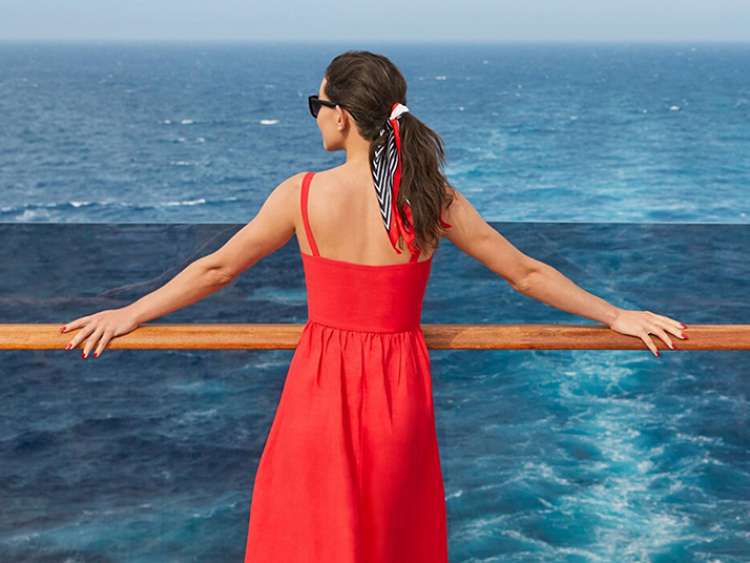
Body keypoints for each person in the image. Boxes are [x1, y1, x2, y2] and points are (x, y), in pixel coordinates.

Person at [59, 50, 687, 560]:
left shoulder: (301, 195)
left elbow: (217, 269)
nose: (314, 117)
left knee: (309, 537)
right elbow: (524, 273)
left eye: (317, 104)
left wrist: (130, 313)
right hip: (398, 389)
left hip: (320, 385)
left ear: (340, 116)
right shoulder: (429, 196)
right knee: (391, 537)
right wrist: (615, 315)